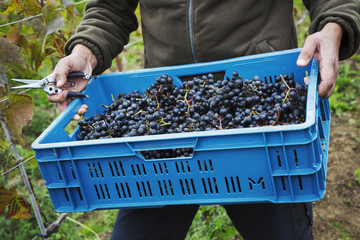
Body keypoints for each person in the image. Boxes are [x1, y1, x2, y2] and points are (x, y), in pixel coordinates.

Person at [48, 1, 360, 239]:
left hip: (261, 128)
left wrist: (333, 27)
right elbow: (110, 8)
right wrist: (85, 52)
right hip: (163, 124)